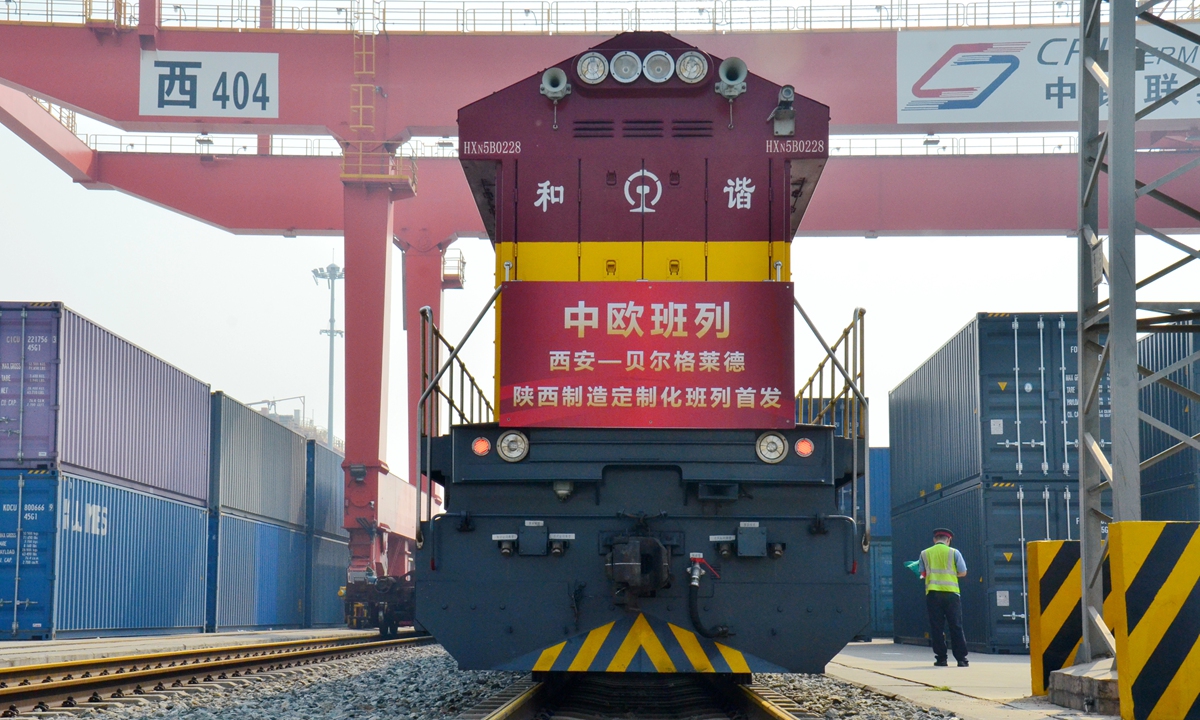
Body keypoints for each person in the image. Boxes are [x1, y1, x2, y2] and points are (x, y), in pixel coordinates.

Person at [919, 528, 969, 667]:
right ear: (948, 540)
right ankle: (961, 659)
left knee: (937, 627)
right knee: (956, 626)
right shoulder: (954, 552)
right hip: (951, 594)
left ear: (934, 539)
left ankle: (941, 659)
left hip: (933, 594)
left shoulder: (924, 553)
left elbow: (922, 574)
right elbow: (963, 572)